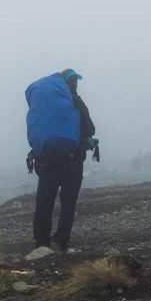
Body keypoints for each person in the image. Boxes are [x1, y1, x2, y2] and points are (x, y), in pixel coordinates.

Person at [31, 69, 97, 251]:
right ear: (72, 84)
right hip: (72, 161)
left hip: (46, 161)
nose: (76, 85)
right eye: (75, 82)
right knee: (68, 202)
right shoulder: (75, 101)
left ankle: (41, 241)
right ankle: (61, 241)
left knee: (44, 200)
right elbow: (90, 129)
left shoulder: (44, 104)